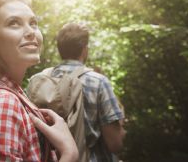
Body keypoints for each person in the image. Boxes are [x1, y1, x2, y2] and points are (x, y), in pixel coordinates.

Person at [0, 0, 78, 162]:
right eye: (14, 23)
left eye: (33, 23)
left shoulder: (11, 95)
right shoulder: (1, 102)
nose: (31, 32)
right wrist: (69, 153)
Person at [40, 23, 126, 162]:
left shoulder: (41, 79)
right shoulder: (98, 82)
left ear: (60, 49)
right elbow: (114, 144)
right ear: (84, 50)